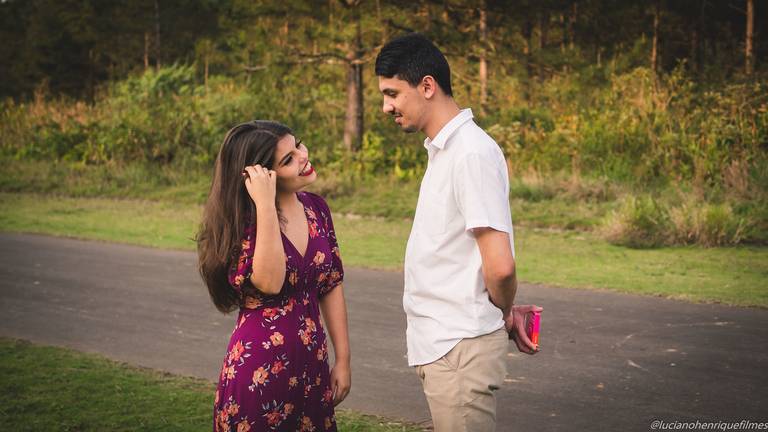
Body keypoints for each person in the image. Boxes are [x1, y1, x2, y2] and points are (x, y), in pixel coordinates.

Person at [375, 34, 543, 432]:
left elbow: (500, 266)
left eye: (392, 93)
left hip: (459, 350)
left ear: (427, 86)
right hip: (446, 347)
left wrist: (502, 311)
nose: (386, 107)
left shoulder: (470, 153)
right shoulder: (446, 150)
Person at [197, 120, 350, 432]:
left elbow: (331, 283)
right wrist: (265, 205)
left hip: (312, 369)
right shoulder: (244, 222)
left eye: (299, 145)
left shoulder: (317, 209)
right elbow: (270, 282)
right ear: (263, 176)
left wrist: (344, 360)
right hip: (260, 374)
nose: (303, 156)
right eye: (288, 159)